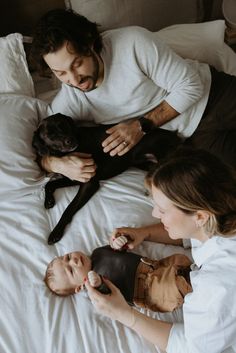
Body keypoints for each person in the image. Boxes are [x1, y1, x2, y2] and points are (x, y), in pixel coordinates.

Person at [30, 9, 236, 183]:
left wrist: (140, 126)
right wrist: (56, 163)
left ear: (90, 43)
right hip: (193, 138)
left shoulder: (132, 42)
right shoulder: (70, 99)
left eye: (77, 64)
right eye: (61, 73)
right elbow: (40, 144)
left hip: (216, 95)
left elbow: (190, 86)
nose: (74, 80)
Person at [85, 148, 236, 353]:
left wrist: (123, 313)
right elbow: (192, 233)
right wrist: (144, 233)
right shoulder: (221, 212)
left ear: (200, 216)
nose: (155, 213)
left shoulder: (218, 287)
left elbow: (190, 347)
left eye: (162, 210)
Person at [45, 244, 192, 313]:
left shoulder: (98, 252)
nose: (74, 260)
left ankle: (192, 274)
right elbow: (108, 295)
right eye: (71, 270)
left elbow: (119, 250)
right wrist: (98, 284)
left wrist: (119, 242)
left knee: (180, 260)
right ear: (78, 287)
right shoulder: (94, 289)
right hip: (148, 290)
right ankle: (194, 285)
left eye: (68, 257)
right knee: (175, 286)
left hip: (153, 266)